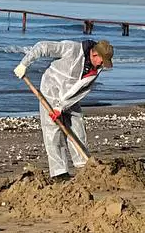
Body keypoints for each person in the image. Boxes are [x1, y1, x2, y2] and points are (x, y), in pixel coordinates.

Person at [13, 38, 113, 182]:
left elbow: (82, 91)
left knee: (78, 128)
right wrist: (24, 64)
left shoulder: (96, 68)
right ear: (95, 55)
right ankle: (59, 172)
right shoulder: (71, 49)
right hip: (51, 93)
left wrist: (61, 107)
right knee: (53, 133)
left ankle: (84, 167)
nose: (103, 65)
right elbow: (43, 47)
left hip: (71, 99)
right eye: (102, 61)